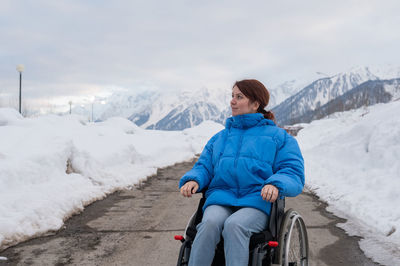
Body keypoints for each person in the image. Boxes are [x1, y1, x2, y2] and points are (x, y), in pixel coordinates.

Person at [179, 79, 304, 266]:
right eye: (232, 96)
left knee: (234, 225)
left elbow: (292, 170)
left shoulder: (279, 138)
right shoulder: (219, 138)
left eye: (239, 97)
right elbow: (204, 166)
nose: (232, 101)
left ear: (256, 104)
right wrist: (194, 179)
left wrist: (275, 183)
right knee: (208, 224)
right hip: (221, 198)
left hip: (256, 201)